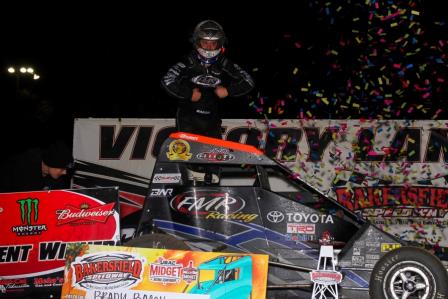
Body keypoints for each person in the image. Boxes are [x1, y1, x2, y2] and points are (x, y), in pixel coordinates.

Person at [161, 20, 255, 139]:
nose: (209, 47)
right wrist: (188, 94)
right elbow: (167, 80)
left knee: (213, 156)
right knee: (188, 154)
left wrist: (229, 91)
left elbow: (249, 81)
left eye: (213, 43)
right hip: (188, 118)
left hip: (212, 119)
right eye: (205, 42)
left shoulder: (224, 63)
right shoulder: (188, 61)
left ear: (219, 44)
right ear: (197, 42)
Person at [0, 140, 74, 193]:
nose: (64, 172)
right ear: (51, 162)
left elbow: (58, 196)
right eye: (62, 168)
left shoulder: (55, 176)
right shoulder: (22, 168)